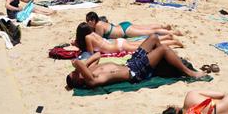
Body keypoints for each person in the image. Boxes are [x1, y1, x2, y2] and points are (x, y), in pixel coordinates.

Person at [66, 34, 205, 89]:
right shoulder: (90, 80)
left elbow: (96, 55)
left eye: (75, 73)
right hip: (135, 72)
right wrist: (78, 65)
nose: (77, 73)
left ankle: (164, 65)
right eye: (76, 75)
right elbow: (78, 64)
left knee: (153, 38)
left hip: (130, 63)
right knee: (163, 49)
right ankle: (189, 73)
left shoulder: (88, 70)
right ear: (78, 82)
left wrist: (82, 65)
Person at [74, 23, 182, 55]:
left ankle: (172, 42)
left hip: (118, 47)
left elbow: (90, 52)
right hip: (119, 41)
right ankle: (169, 38)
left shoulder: (88, 38)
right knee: (144, 42)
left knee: (146, 47)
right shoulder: (93, 34)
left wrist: (78, 46)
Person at [85, 12, 182, 38]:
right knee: (146, 27)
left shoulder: (98, 26)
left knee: (150, 32)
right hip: (123, 25)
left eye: (89, 21)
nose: (88, 23)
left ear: (94, 20)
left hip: (125, 31)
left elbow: (99, 39)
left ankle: (172, 32)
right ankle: (163, 26)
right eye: (87, 21)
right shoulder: (101, 22)